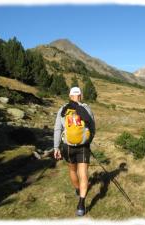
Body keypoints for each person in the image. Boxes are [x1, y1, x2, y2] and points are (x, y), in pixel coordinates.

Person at [53, 86, 95, 217]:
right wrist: (88, 140)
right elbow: (93, 128)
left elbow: (57, 129)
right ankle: (81, 204)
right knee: (83, 174)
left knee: (72, 170)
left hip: (68, 146)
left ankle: (77, 189)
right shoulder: (86, 108)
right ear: (80, 96)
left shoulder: (63, 110)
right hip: (83, 146)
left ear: (70, 96)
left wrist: (56, 147)